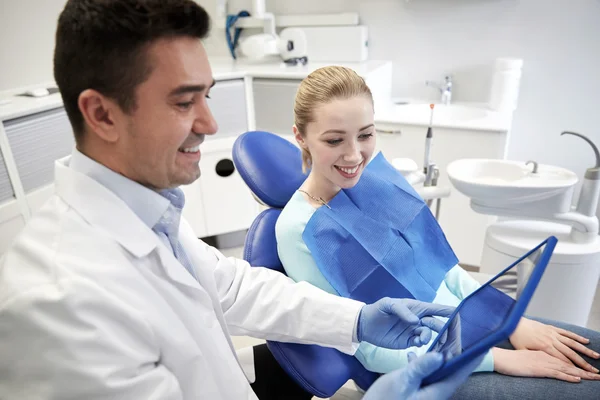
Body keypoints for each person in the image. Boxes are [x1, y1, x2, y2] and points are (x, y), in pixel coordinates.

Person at [0, 1, 480, 399]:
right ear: (101, 114)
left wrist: (358, 319)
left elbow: (229, 287)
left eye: (206, 97)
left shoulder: (147, 213)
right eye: (185, 102)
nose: (210, 125)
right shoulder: (61, 305)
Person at [275, 65, 600, 398]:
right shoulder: (299, 230)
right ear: (300, 136)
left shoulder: (375, 181)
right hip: (421, 368)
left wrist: (510, 321)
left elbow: (443, 270)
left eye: (366, 134)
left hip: (474, 328)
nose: (355, 154)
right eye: (334, 140)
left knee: (594, 351)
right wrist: (496, 358)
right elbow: (365, 345)